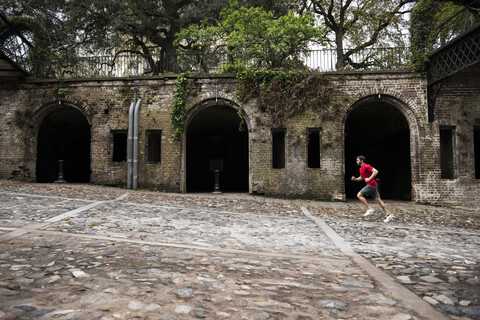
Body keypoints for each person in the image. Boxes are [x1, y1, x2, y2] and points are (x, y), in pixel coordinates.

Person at [351, 155, 394, 222]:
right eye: (356, 160)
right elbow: (361, 178)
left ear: (361, 161)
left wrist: (369, 178)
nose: (356, 161)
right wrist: (355, 179)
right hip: (373, 185)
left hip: (371, 185)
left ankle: (369, 209)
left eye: (358, 160)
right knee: (379, 201)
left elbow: (376, 171)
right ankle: (388, 214)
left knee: (359, 195)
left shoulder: (366, 166)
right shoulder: (360, 168)